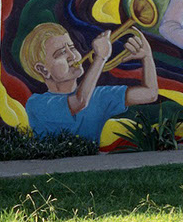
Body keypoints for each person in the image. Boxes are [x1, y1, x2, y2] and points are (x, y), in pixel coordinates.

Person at [20, 22, 158, 144]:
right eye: (61, 53)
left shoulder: (98, 96)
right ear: (43, 70)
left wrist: (147, 57)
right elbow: (79, 101)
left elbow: (150, 94)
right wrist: (100, 58)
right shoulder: (36, 104)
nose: (72, 56)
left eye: (72, 47)